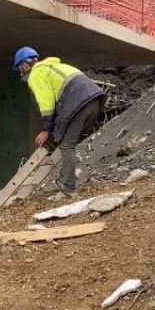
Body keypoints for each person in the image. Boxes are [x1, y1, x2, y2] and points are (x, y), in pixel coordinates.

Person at [13, 46, 106, 198]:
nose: (21, 73)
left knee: (67, 146)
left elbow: (47, 103)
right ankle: (65, 180)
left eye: (19, 69)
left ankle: (68, 189)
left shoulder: (35, 74)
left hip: (78, 102)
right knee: (68, 141)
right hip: (94, 100)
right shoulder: (53, 66)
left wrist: (45, 130)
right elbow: (60, 110)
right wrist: (54, 132)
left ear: (24, 65)